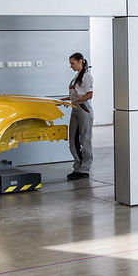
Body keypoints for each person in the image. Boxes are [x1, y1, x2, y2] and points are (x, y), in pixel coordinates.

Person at [63, 52, 94, 181]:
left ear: (80, 61)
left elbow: (89, 94)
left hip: (83, 109)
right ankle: (78, 167)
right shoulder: (77, 76)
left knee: (84, 140)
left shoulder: (86, 77)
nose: (71, 66)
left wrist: (75, 101)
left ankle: (84, 168)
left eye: (73, 63)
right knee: (73, 141)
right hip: (75, 109)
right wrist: (64, 100)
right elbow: (75, 95)